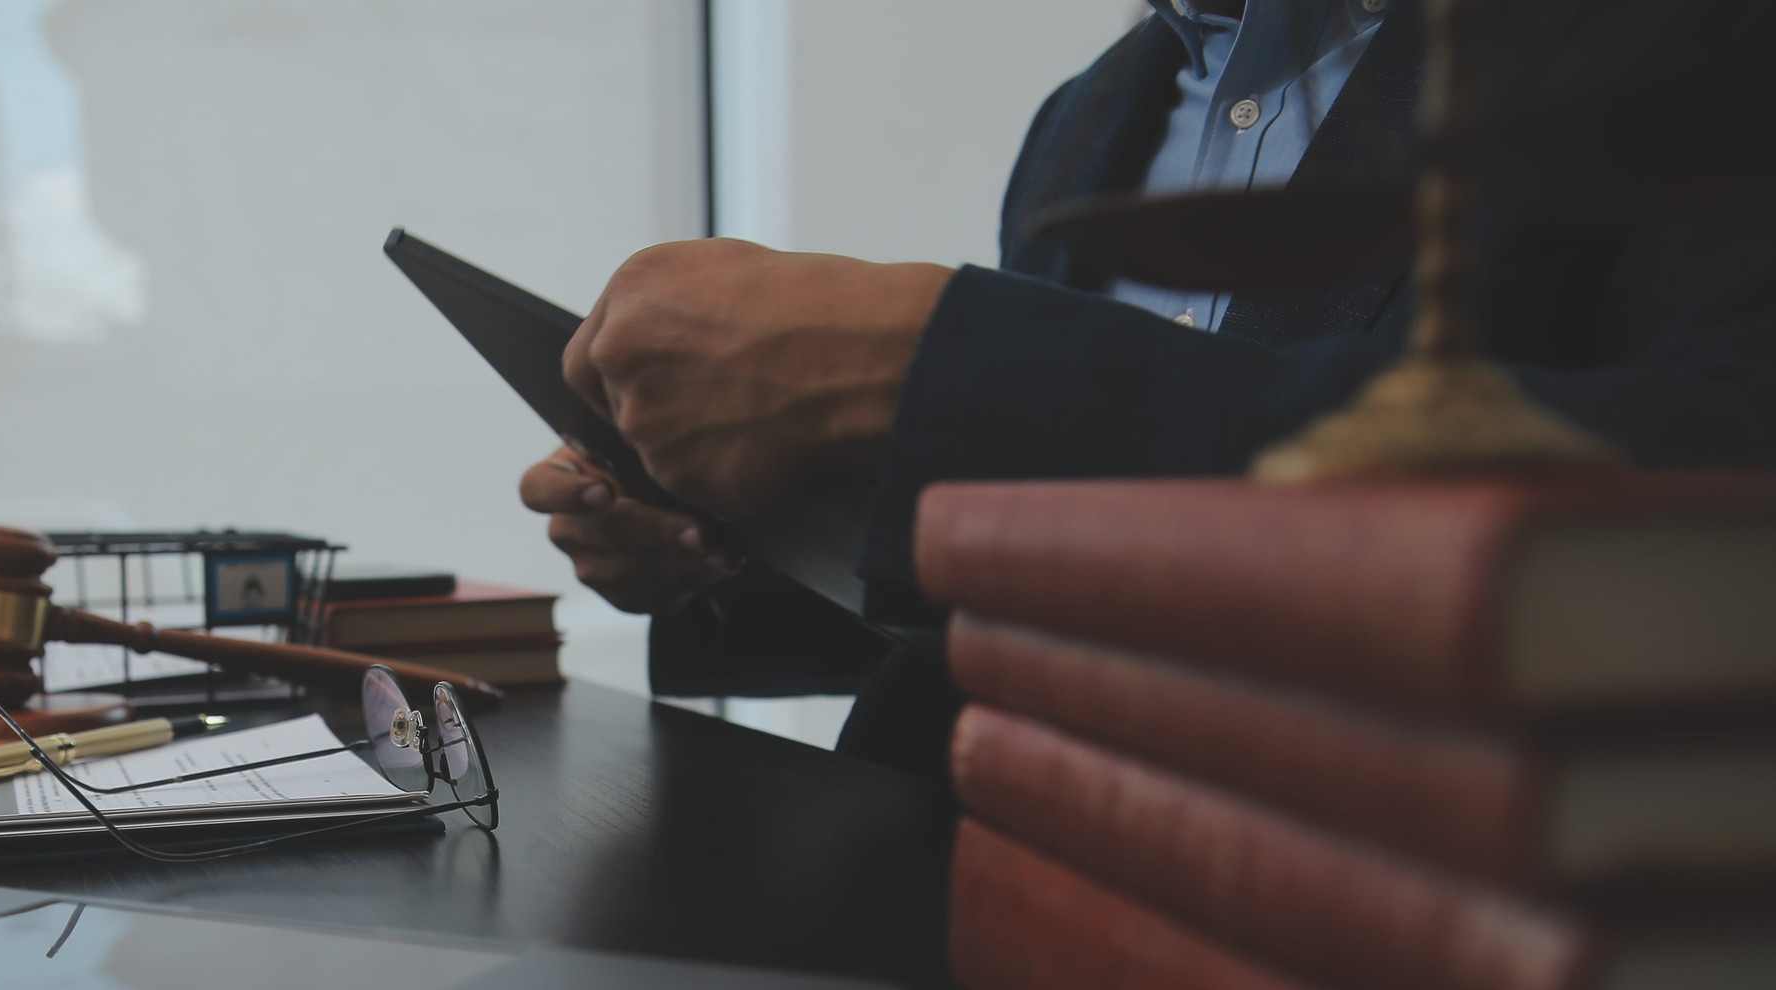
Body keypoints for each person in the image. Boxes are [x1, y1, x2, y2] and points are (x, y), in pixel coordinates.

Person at [519, 0, 1776, 772]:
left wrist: (935, 366)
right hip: (973, 901)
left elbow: (1720, 470)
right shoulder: (1092, 113)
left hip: (1371, 982)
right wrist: (736, 551)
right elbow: (1054, 590)